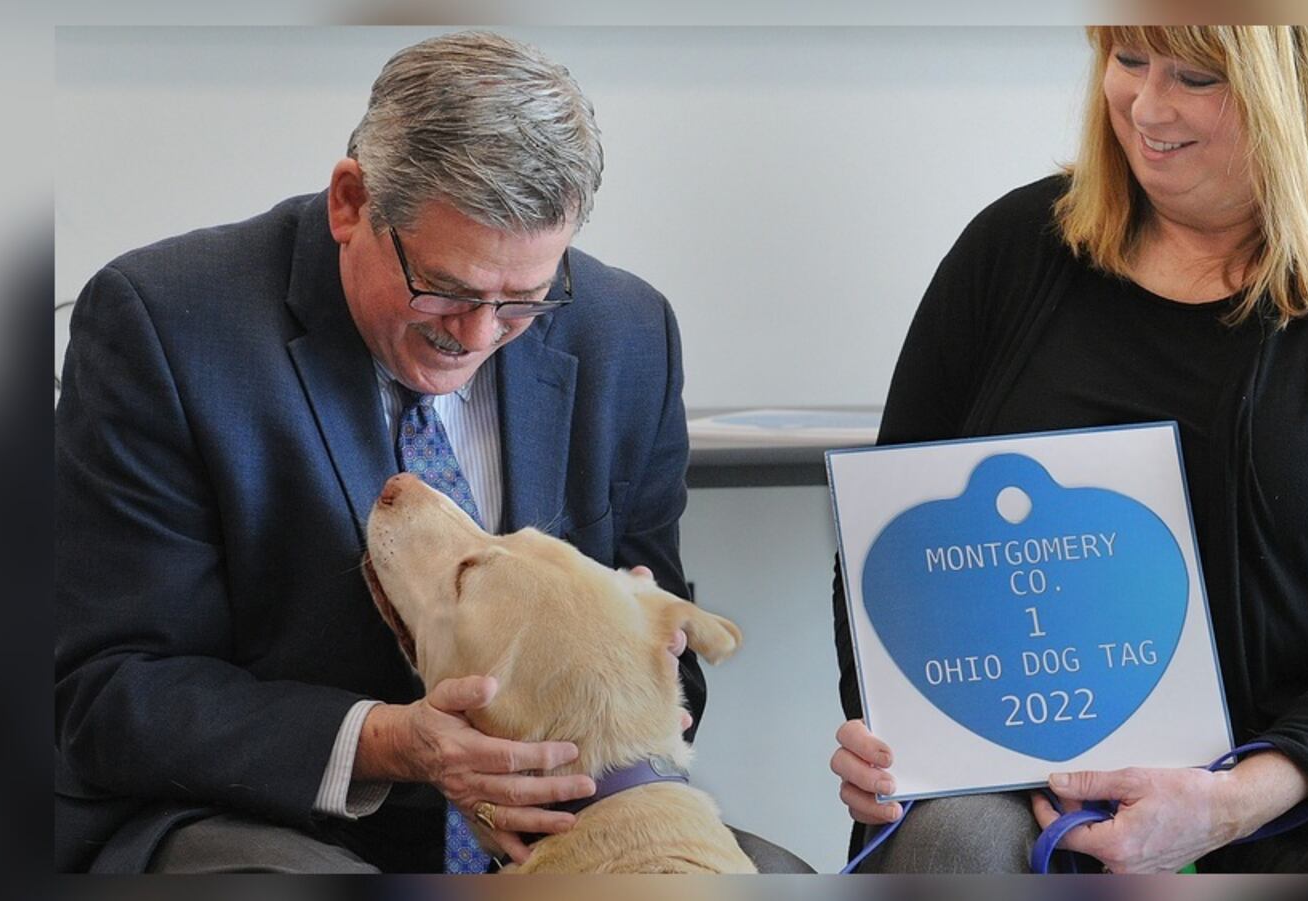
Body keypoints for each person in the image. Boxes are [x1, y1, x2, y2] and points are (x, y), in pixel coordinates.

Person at [55, 31, 809, 874]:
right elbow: (107, 688)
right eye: (444, 289)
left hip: (559, 821)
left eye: (523, 301)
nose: (480, 335)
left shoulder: (624, 333)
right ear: (351, 203)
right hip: (279, 820)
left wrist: (640, 662)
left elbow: (672, 673)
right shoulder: (167, 323)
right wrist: (388, 742)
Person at [829, 25, 1308, 874]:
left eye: (1196, 76)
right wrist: (900, 739)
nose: (1147, 106)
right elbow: (886, 549)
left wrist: (1240, 795)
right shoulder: (1013, 249)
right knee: (952, 848)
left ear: (1298, 90)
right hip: (1037, 749)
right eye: (1129, 60)